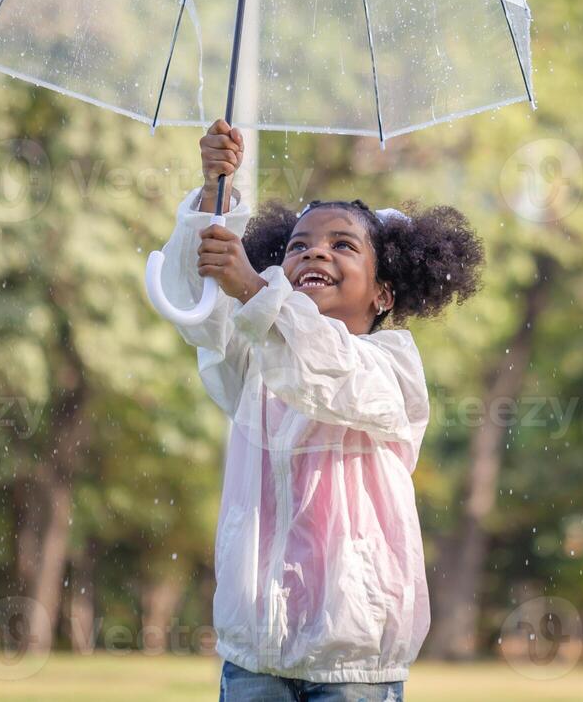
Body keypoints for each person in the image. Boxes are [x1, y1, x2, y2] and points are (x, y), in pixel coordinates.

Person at [155, 119, 485, 701]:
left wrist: (257, 293)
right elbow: (200, 310)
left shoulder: (393, 367)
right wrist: (215, 197)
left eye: (342, 245)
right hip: (254, 655)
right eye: (299, 246)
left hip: (353, 662)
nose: (315, 253)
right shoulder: (257, 359)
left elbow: (326, 371)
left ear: (384, 292)